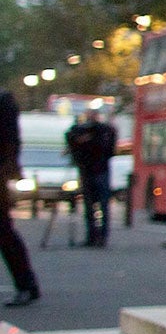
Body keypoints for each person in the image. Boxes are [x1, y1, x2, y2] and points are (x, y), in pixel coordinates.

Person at [0, 90, 37, 307]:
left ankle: (26, 284)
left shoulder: (3, 102)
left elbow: (11, 141)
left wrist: (8, 170)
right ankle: (26, 284)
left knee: (4, 232)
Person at [65, 106, 119, 247]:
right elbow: (71, 138)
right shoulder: (88, 131)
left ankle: (98, 237)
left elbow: (108, 147)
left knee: (98, 205)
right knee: (93, 206)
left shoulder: (103, 131)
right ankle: (95, 236)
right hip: (92, 170)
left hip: (96, 170)